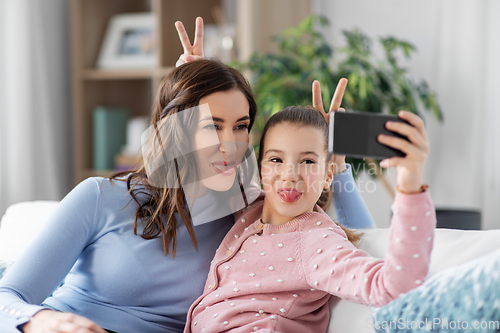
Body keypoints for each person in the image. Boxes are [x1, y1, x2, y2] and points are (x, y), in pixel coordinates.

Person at [0, 22, 375, 333]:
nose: (230, 144)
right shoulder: (101, 197)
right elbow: (9, 296)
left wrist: (334, 163)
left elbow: (365, 241)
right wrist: (42, 321)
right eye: (213, 126)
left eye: (241, 126)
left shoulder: (248, 210)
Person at [184, 106, 435, 333]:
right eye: (276, 159)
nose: (290, 174)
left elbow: (392, 288)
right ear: (260, 169)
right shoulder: (249, 205)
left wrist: (410, 184)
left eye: (307, 161)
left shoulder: (316, 242)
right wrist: (192, 81)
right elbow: (205, 153)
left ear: (328, 176)